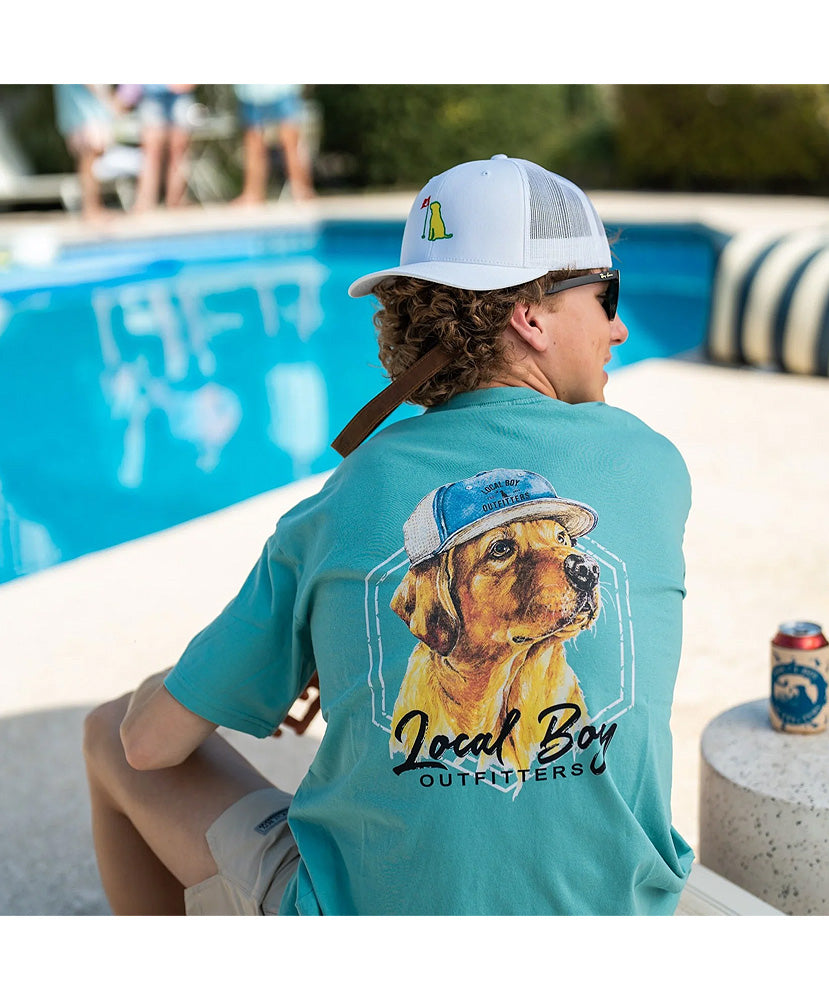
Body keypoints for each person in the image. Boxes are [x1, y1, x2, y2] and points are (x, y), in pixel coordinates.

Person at [83, 155, 695, 915]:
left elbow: (150, 746)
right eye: (606, 298)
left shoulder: (346, 497)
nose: (618, 327)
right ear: (530, 315)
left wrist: (266, 649)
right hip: (617, 930)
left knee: (109, 731)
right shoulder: (654, 465)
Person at [232, 85, 315, 204]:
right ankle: (252, 194)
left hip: (282, 89)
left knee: (291, 140)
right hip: (250, 93)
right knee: (253, 142)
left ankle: (301, 190)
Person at [53, 85, 119, 222]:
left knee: (91, 165)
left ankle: (94, 208)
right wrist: (109, 100)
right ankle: (91, 210)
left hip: (84, 116)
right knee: (89, 164)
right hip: (84, 117)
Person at [131, 85, 196, 211]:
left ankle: (176, 200)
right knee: (151, 151)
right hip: (152, 94)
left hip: (180, 95)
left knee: (179, 149)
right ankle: (145, 201)